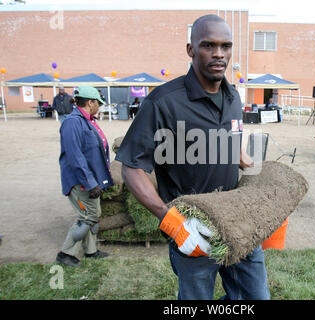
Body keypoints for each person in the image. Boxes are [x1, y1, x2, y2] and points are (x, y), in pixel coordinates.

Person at [116, 14, 270, 300]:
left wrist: (251, 166)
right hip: (193, 230)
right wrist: (173, 223)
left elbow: (229, 141)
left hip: (238, 221)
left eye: (226, 46)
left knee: (255, 297)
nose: (218, 54)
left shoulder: (234, 97)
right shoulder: (162, 102)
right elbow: (132, 168)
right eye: (208, 45)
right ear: (190, 50)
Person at [55, 86, 113, 268]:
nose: (100, 107)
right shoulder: (73, 123)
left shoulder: (87, 120)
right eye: (98, 104)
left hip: (90, 179)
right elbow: (75, 157)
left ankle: (90, 250)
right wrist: (89, 183)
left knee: (93, 213)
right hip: (80, 181)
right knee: (89, 216)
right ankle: (65, 253)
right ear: (90, 103)